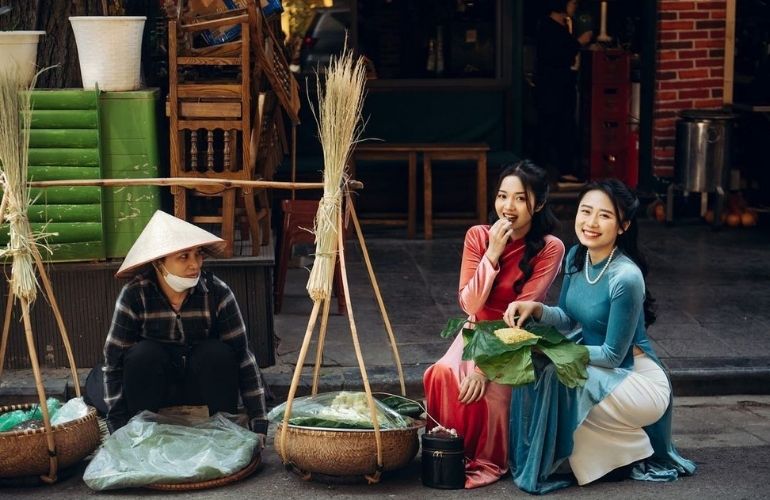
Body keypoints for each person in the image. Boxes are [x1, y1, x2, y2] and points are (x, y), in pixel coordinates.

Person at [504, 179, 696, 494]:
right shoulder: (577, 256)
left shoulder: (626, 277)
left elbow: (612, 356)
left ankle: (633, 444)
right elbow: (566, 318)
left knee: (558, 375)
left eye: (604, 216)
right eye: (586, 211)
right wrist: (537, 309)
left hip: (637, 380)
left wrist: (553, 351)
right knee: (539, 369)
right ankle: (614, 456)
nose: (591, 223)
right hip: (602, 372)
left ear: (623, 226)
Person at [423, 160, 565, 488]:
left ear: (539, 203)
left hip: (516, 336)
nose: (508, 206)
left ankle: (484, 459)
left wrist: (484, 370)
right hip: (476, 328)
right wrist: (493, 253)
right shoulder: (477, 236)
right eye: (502, 196)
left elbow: (521, 316)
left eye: (519, 198)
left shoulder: (549, 248)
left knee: (493, 394)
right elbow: (470, 304)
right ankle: (449, 451)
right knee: (445, 373)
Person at [101, 210, 268, 443]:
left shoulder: (217, 292)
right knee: (142, 355)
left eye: (198, 255)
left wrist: (259, 421)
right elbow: (113, 364)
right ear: (160, 262)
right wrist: (117, 429)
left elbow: (243, 357)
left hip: (202, 391)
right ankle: (143, 435)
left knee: (216, 353)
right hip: (156, 392)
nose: (194, 265)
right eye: (183, 257)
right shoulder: (134, 295)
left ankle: (221, 436)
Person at [534, 0, 593, 183]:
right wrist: (580, 42)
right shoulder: (550, 27)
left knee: (556, 127)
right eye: (572, 3)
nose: (575, 7)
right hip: (554, 87)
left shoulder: (554, 26)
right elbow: (557, 54)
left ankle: (550, 168)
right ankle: (558, 169)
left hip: (557, 86)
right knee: (557, 127)